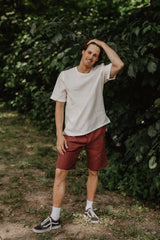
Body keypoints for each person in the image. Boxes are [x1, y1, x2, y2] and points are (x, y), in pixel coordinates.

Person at [33, 39, 124, 233]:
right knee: (60, 173)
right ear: (82, 52)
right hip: (72, 133)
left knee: (93, 171)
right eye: (89, 52)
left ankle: (89, 209)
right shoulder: (66, 76)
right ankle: (54, 218)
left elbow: (119, 64)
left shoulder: (100, 73)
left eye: (95, 55)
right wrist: (59, 135)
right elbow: (59, 106)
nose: (91, 57)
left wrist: (100, 43)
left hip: (96, 130)